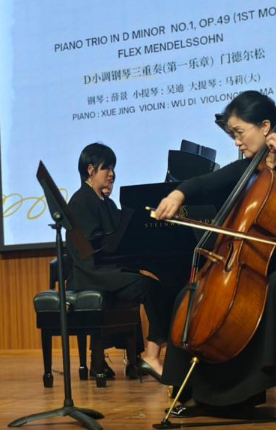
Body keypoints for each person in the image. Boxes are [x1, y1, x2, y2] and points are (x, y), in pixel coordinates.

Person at [153, 91, 276, 427]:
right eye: (233, 135)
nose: (237, 142)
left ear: (266, 126)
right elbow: (205, 182)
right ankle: (221, 395)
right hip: (267, 263)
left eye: (240, 133)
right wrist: (177, 193)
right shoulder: (250, 168)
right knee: (194, 294)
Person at [66, 142, 178, 380]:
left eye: (113, 168)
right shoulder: (80, 201)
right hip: (90, 273)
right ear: (90, 170)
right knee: (148, 287)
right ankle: (151, 355)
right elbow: (94, 246)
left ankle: (136, 357)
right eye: (106, 168)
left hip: (105, 268)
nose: (112, 174)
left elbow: (122, 233)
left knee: (144, 282)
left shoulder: (105, 202)